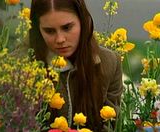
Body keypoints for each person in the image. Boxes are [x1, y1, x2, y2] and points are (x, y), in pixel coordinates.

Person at [29, 0, 123, 131]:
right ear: (37, 30)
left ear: (83, 21)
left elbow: (110, 126)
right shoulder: (22, 66)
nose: (60, 39)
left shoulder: (109, 63)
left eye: (67, 28)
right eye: (49, 31)